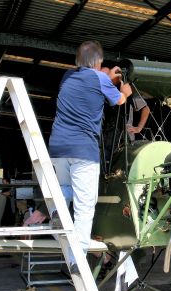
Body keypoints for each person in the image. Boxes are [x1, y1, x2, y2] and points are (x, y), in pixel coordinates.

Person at [49, 41, 132, 259]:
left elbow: (92, 76)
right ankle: (79, 256)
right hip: (83, 149)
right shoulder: (102, 79)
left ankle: (58, 212)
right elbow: (120, 101)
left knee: (66, 187)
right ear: (98, 62)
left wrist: (105, 74)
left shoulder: (67, 76)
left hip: (58, 147)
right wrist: (123, 90)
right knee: (86, 205)